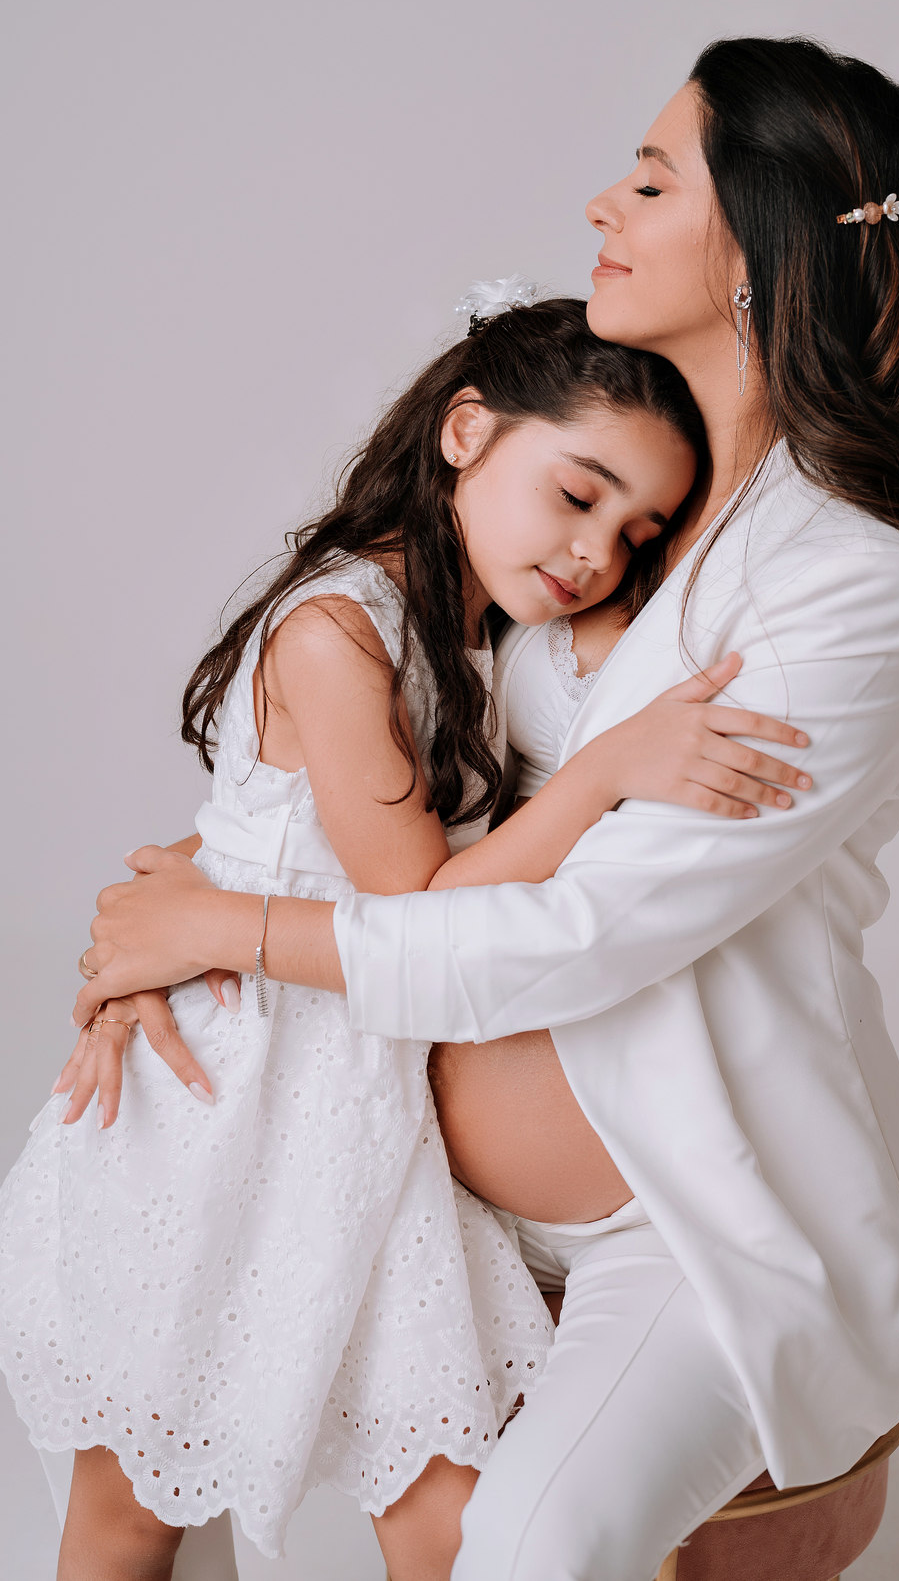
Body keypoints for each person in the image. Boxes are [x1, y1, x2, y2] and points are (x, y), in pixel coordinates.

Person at [74, 35, 899, 1581]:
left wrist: (234, 924)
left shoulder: (845, 583)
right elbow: (432, 800)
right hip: (418, 1178)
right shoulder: (615, 511)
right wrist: (173, 914)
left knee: (527, 1549)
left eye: (654, 179)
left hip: (684, 1231)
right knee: (151, 1455)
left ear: (761, 251)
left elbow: (570, 934)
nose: (604, 198)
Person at [2, 294, 809, 1580]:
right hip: (232, 1103)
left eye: (635, 530)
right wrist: (610, 771)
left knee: (445, 1506)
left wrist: (187, 891)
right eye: (578, 494)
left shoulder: (471, 633)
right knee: (137, 1501)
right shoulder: (339, 628)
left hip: (364, 1114)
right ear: (467, 431)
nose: (596, 552)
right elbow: (416, 902)